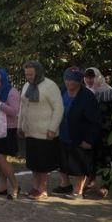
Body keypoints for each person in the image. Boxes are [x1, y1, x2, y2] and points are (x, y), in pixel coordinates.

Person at [18, 60, 63, 201]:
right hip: (30, 131)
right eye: (26, 74)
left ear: (38, 72)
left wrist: (52, 128)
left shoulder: (50, 86)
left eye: (31, 74)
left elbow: (59, 108)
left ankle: (42, 190)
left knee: (43, 163)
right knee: (33, 162)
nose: (28, 77)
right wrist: (20, 125)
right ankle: (35, 187)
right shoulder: (26, 86)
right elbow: (22, 107)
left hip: (45, 132)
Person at [58, 67, 101, 200]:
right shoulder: (62, 90)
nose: (68, 82)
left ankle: (78, 191)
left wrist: (89, 140)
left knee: (80, 163)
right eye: (66, 79)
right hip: (63, 132)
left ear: (78, 81)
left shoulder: (87, 96)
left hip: (80, 135)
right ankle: (65, 184)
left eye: (71, 79)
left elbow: (95, 121)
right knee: (62, 160)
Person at [83, 67, 112, 198]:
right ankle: (90, 180)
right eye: (87, 77)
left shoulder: (110, 93)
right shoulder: (85, 93)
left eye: (92, 77)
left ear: (98, 77)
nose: (89, 80)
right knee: (91, 156)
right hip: (90, 131)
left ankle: (106, 184)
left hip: (107, 132)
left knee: (107, 157)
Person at [0, 69, 21, 200]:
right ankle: (2, 186)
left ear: (4, 80)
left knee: (0, 158)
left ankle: (15, 186)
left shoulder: (12, 92)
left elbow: (14, 111)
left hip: (8, 129)